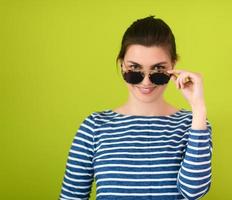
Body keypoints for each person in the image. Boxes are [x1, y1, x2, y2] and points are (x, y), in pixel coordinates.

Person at [59, 16, 212, 200]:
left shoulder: (193, 124)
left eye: (158, 71)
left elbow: (193, 191)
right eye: (135, 70)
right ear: (122, 65)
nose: (146, 82)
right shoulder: (94, 127)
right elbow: (71, 197)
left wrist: (199, 109)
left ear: (173, 66)